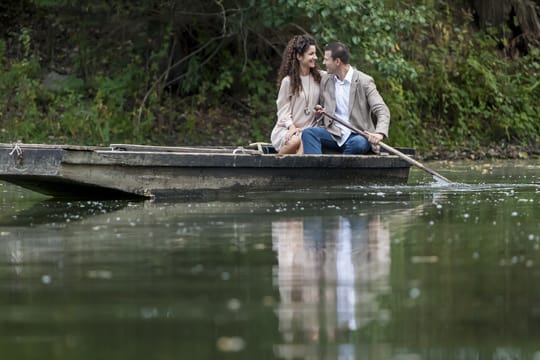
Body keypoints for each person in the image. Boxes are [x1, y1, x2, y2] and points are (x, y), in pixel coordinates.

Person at [301, 42, 390, 154]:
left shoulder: (364, 82)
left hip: (358, 135)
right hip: (334, 134)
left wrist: (379, 133)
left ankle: (337, 170)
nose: (323, 62)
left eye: (326, 59)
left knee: (358, 144)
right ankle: (317, 169)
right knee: (308, 133)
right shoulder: (326, 80)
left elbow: (382, 110)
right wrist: (320, 114)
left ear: (337, 62)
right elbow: (323, 109)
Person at [271, 34, 323, 154]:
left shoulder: (320, 77)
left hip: (309, 130)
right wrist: (291, 126)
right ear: (299, 56)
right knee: (295, 141)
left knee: (303, 138)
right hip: (287, 129)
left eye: (315, 54)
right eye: (311, 54)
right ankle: (276, 166)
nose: (315, 57)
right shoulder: (288, 81)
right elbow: (283, 110)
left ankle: (297, 172)